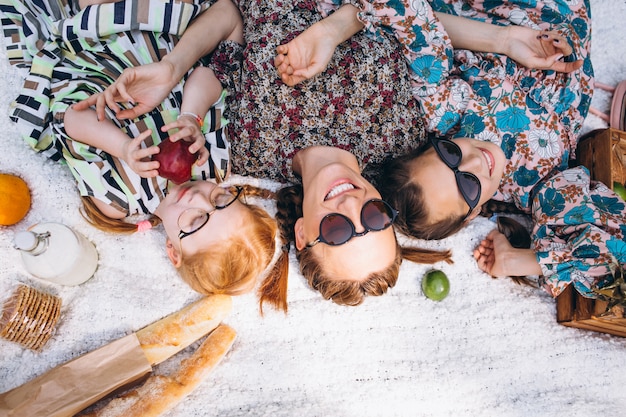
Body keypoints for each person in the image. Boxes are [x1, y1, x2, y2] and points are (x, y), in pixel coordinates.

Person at [75, 0, 453, 312]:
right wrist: (335, 28)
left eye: (337, 231)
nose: (353, 205)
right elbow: (414, 19)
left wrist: (173, 70)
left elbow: (226, 26)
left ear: (303, 233)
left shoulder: (239, 149)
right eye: (374, 217)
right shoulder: (404, 136)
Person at [276, 0, 625, 300]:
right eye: (469, 187)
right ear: (474, 213)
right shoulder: (541, 188)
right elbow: (612, 253)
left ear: (434, 144)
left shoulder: (443, 106)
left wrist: (332, 31)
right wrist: (519, 261)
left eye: (450, 155)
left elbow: (405, 11)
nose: (476, 160)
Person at [1, 0, 277, 297]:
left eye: (196, 220)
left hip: (89, 52)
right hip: (147, 35)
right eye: (221, 200)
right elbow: (214, 72)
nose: (199, 198)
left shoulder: (118, 199)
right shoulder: (213, 162)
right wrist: (191, 115)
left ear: (173, 251)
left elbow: (70, 118)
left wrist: (121, 147)